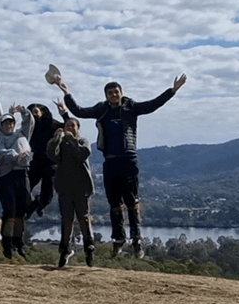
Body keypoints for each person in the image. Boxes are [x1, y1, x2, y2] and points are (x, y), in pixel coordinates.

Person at [55, 72, 187, 258]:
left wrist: (172, 90)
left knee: (132, 202)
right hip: (110, 161)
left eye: (116, 92)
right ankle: (118, 239)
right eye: (110, 93)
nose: (113, 95)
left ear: (121, 92)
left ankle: (137, 240)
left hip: (129, 159)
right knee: (114, 203)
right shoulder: (102, 109)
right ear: (106, 95)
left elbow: (152, 105)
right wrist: (66, 91)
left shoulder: (131, 107)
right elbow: (79, 112)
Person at [47, 118, 94, 268]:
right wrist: (56, 139)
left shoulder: (83, 141)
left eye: (72, 126)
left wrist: (72, 140)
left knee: (83, 217)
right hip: (65, 187)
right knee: (66, 219)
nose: (69, 128)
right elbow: (52, 156)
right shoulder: (60, 143)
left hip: (81, 187)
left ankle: (89, 246)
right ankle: (65, 249)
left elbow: (83, 154)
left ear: (78, 128)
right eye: (67, 125)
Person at [0, 104, 34, 259]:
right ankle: (7, 245)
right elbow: (1, 153)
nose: (9, 125)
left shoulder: (21, 135)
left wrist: (24, 112)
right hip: (5, 177)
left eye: (11, 123)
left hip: (22, 174)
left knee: (21, 212)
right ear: (1, 126)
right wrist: (17, 156)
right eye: (6, 123)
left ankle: (18, 243)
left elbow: (29, 122)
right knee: (10, 212)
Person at [24, 101, 69, 219]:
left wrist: (64, 113)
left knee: (47, 193)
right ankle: (31, 205)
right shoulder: (30, 127)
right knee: (25, 186)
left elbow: (69, 126)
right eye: (32, 113)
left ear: (43, 111)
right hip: (36, 159)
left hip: (51, 162)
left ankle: (40, 204)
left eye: (36, 111)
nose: (34, 114)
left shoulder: (52, 124)